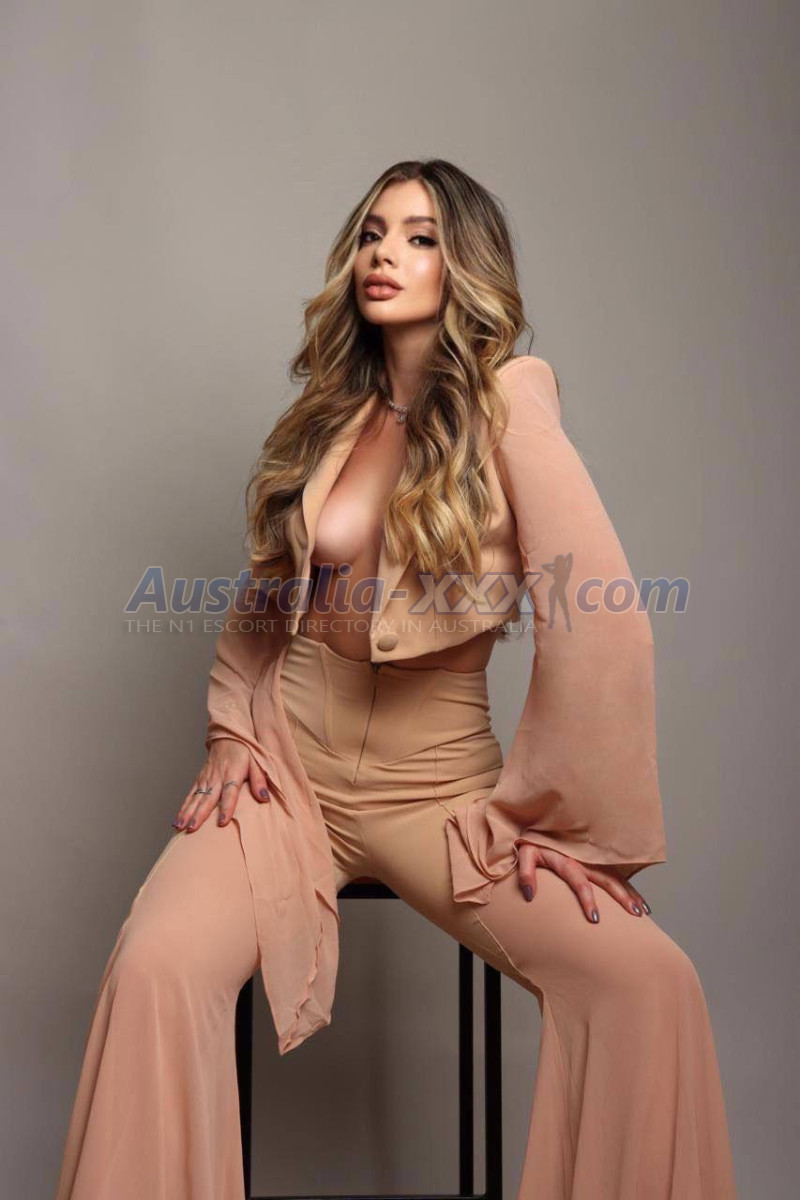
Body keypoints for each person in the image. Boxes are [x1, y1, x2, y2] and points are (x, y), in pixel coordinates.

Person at [54, 159, 738, 1199]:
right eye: (374, 233)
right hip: (290, 771)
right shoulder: (331, 413)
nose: (385, 254)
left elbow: (601, 620)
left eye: (420, 238)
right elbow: (264, 600)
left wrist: (564, 820)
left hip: (439, 791)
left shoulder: (510, 403)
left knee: (648, 983)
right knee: (154, 965)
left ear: (464, 267)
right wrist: (232, 728)